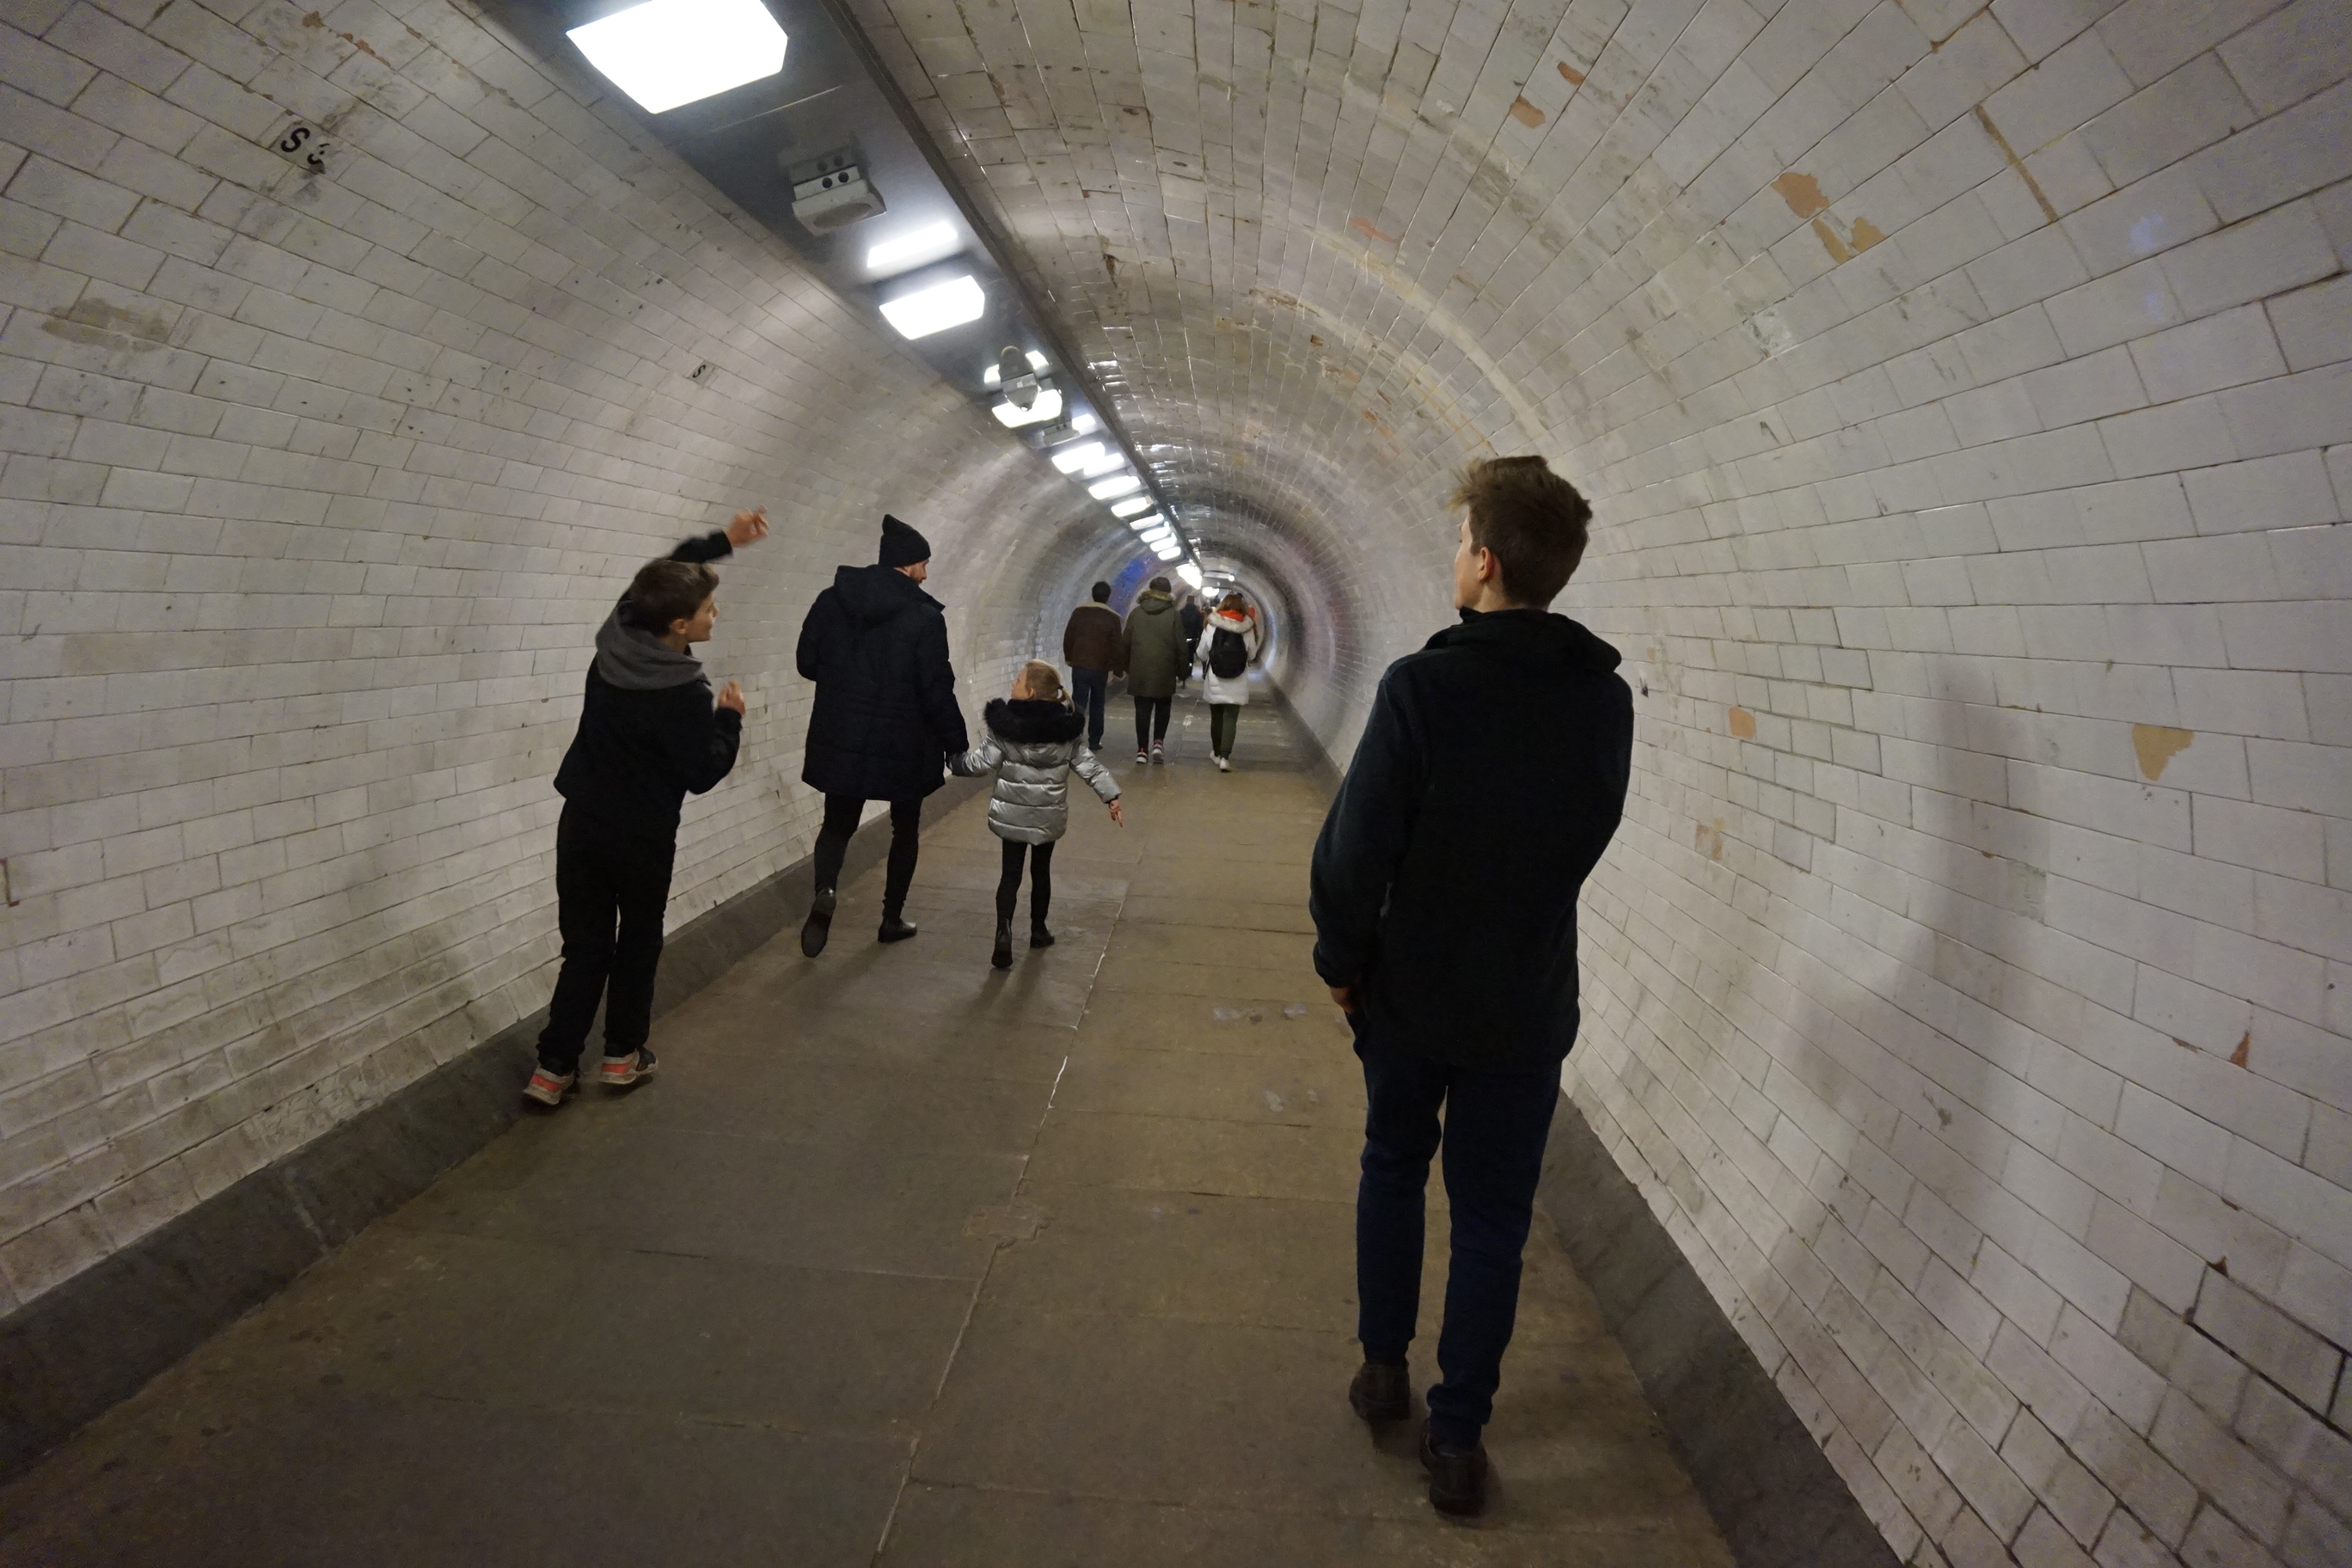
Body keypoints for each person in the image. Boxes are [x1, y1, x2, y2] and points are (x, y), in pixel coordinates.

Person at [1310, 456, 1633, 1520]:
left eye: (1462, 543)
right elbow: (1584, 834)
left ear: (1486, 561)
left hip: (1410, 993)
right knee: (1494, 1216)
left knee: (1394, 1166)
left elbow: (1357, 850)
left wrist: (1343, 961)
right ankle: (1457, 1439)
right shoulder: (1603, 702)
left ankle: (1382, 1370)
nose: (1458, 558)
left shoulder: (1423, 687)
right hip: (1526, 1002)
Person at [525, 507, 772, 1106]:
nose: (717, 614)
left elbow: (664, 572)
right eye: (710, 610)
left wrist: (723, 541)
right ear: (681, 626)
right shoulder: (683, 694)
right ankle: (621, 1056)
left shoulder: (615, 640)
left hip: (583, 823)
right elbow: (701, 773)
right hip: (642, 835)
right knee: (638, 942)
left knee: (584, 948)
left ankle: (553, 1069)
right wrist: (729, 720)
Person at [795, 514, 970, 954]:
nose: (925, 574)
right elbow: (935, 688)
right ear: (907, 565)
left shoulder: (831, 600)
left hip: (843, 732)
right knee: (904, 828)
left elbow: (807, 662)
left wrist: (845, 681)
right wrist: (956, 743)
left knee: (837, 824)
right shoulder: (924, 617)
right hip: (905, 741)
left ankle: (825, 890)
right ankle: (891, 918)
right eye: (923, 564)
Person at [951, 659, 1124, 969]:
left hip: (1012, 814)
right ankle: (1038, 930)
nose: (1012, 684)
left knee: (1010, 875)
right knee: (1041, 872)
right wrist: (1110, 796)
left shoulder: (1005, 727)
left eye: (1018, 681)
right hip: (1047, 815)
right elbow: (1089, 766)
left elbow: (980, 764)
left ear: (1030, 692)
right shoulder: (1067, 730)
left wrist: (955, 761)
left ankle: (1003, 932)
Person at [1120, 574, 1186, 763]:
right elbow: (1181, 645)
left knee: (1142, 710)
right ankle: (1158, 743)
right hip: (1165, 670)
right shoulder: (1173, 614)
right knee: (1163, 707)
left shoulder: (1136, 613)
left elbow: (1125, 643)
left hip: (1140, 670)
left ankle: (1142, 750)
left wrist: (1127, 667)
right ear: (1168, 593)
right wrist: (1182, 671)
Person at [1195, 591, 1261, 771]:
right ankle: (1225, 757)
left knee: (1216, 717)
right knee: (1231, 718)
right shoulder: (1247, 627)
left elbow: (1202, 652)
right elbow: (1252, 655)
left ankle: (1216, 753)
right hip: (1237, 678)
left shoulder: (1211, 624)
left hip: (1215, 677)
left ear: (1223, 605)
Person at [1062, 581, 1121, 750]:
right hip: (1100, 668)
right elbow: (1117, 646)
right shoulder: (1112, 618)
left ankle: (1074, 738)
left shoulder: (1079, 612)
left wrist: (1069, 658)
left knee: (1078, 702)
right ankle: (1094, 740)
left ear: (1092, 594)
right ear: (1108, 597)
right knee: (1097, 703)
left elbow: (1069, 636)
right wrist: (1117, 670)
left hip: (1080, 665)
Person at [1176, 592, 1206, 690]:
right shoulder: (1198, 614)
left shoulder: (1180, 612)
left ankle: (1180, 673)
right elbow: (1200, 628)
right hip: (1193, 639)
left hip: (1181, 638)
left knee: (1180, 656)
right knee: (1190, 657)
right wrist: (1199, 639)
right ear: (1193, 602)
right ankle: (1188, 672)